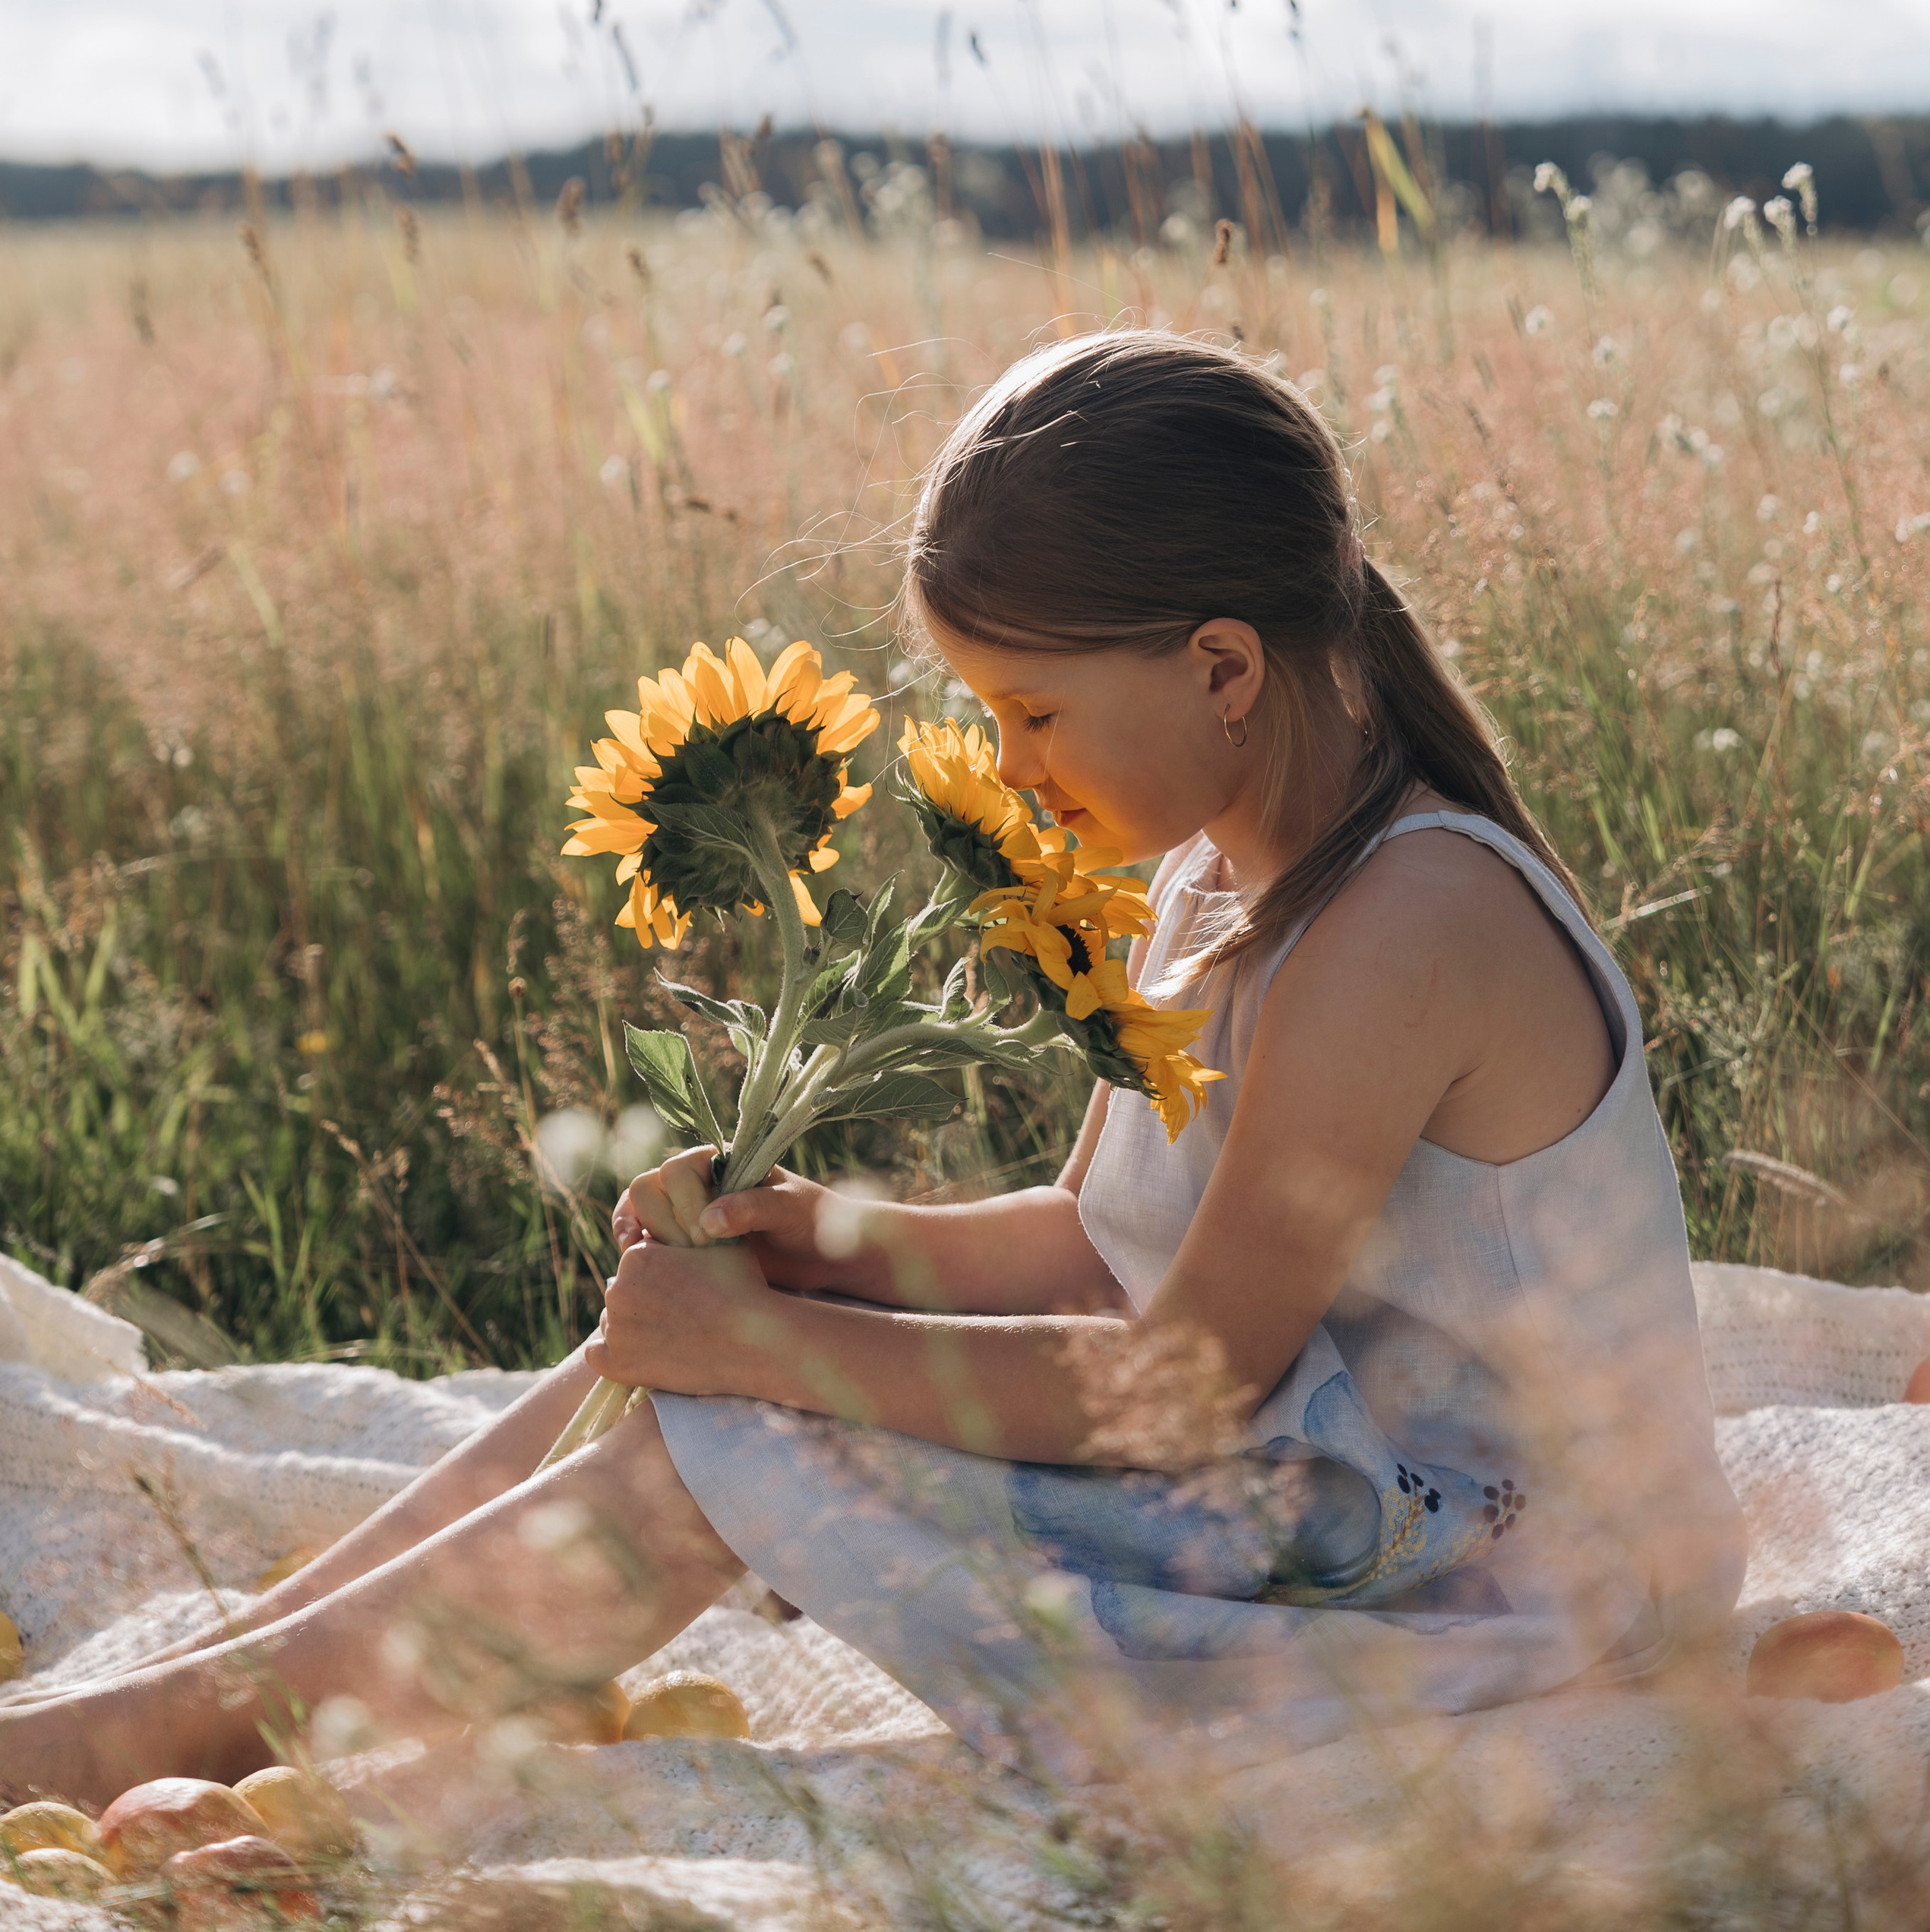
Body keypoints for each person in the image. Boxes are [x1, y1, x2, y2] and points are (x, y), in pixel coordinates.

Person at [0, 333, 1744, 1807]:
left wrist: (780, 1352)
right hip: (1316, 1475)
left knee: (730, 1434)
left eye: (1031, 715)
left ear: (1223, 666)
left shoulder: (1403, 920)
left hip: (1493, 1585)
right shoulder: (1226, 872)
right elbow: (1097, 1236)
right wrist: (818, 1247)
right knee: (682, 1334)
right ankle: (253, 1670)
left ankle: (180, 1729)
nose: (1008, 767)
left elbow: (1193, 1377)